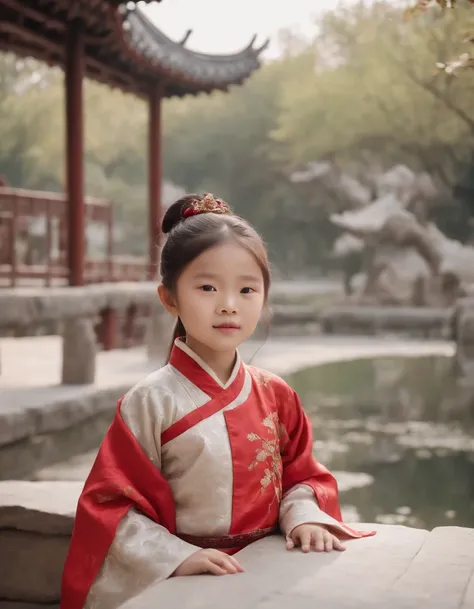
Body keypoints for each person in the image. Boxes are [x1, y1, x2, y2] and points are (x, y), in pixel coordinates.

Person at [61, 193, 375, 609]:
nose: (228, 304)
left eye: (247, 288)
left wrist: (302, 516)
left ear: (264, 296)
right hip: (186, 576)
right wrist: (177, 554)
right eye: (207, 287)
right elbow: (111, 505)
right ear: (169, 298)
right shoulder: (149, 402)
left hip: (269, 568)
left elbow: (302, 475)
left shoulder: (277, 395)